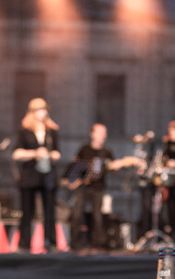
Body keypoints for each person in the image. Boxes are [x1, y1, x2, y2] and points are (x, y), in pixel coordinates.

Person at [63, 123, 143, 251]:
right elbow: (75, 167)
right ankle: (75, 242)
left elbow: (113, 167)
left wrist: (118, 165)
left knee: (97, 216)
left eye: (104, 133)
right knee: (77, 214)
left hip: (98, 188)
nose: (103, 135)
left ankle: (97, 243)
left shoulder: (106, 151)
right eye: (100, 132)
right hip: (83, 187)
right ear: (92, 134)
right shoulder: (84, 149)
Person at [12, 97, 59, 251]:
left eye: (44, 109)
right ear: (32, 112)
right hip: (30, 174)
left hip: (47, 175)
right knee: (27, 211)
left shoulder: (51, 132)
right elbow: (16, 153)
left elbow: (57, 152)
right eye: (40, 110)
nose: (43, 112)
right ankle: (24, 243)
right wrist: (35, 153)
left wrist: (50, 155)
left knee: (49, 210)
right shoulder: (24, 131)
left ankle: (51, 242)